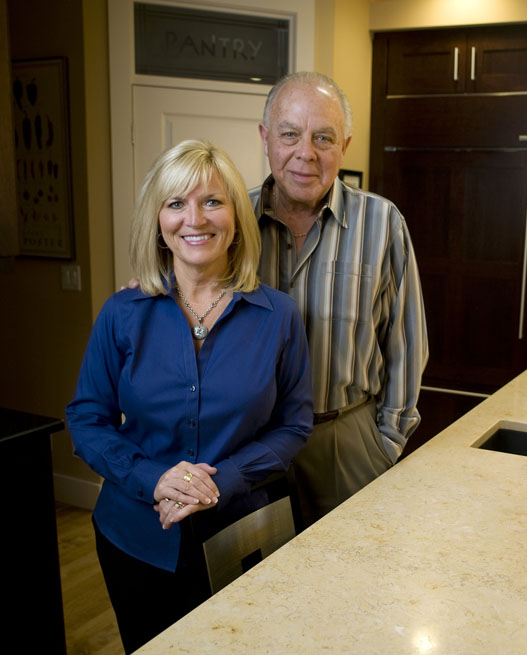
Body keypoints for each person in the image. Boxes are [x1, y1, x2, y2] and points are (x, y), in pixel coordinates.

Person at [66, 140, 313, 653]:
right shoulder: (122, 313)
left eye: (212, 201)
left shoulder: (279, 316)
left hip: (242, 532)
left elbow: (294, 424)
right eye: (176, 203)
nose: (194, 219)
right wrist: (152, 479)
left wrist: (222, 482)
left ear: (236, 217)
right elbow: (86, 418)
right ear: (158, 219)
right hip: (134, 537)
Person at [252, 71, 428, 528]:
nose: (305, 153)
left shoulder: (382, 222)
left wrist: (385, 442)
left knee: (354, 588)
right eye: (290, 134)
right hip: (251, 447)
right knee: (256, 589)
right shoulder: (231, 223)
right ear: (266, 137)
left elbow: (407, 344)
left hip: (345, 441)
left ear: (344, 146)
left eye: (323, 138)